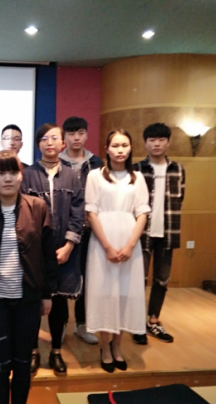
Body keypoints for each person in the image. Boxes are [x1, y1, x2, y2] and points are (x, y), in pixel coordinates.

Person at [0, 150, 58, 404]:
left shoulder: (38, 207)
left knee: (22, 364)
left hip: (28, 299)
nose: (7, 178)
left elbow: (48, 253)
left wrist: (47, 294)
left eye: (13, 172)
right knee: (0, 364)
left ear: (21, 175)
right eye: (1, 172)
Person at [84, 129, 150, 373]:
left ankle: (118, 347)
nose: (120, 150)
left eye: (124, 145)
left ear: (131, 148)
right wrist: (108, 247)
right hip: (103, 242)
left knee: (125, 293)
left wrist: (130, 245)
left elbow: (142, 212)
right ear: (107, 149)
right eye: (115, 145)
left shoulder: (137, 178)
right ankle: (104, 348)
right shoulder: (95, 176)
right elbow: (91, 212)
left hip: (130, 241)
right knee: (105, 294)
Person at [21, 123, 84, 377]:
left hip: (65, 253)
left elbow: (78, 212)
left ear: (62, 144)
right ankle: (33, 351)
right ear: (38, 144)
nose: (49, 143)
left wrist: (69, 245)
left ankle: (56, 351)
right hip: (34, 254)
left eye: (54, 138)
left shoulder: (72, 175)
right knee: (34, 304)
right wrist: (35, 251)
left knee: (59, 305)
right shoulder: (27, 175)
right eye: (44, 138)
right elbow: (23, 214)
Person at [132, 123, 186, 345]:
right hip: (141, 233)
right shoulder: (136, 169)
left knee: (162, 280)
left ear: (168, 143)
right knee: (138, 281)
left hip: (168, 232)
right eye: (152, 140)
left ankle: (153, 321)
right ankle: (136, 324)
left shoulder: (178, 169)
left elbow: (180, 199)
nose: (156, 144)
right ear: (145, 143)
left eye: (161, 140)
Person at [60, 116, 104, 345]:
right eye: (71, 133)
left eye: (80, 133)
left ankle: (82, 324)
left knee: (87, 277)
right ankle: (60, 325)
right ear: (64, 136)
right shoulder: (56, 161)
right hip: (62, 229)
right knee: (61, 277)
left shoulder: (97, 163)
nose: (76, 138)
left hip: (89, 228)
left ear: (87, 135)